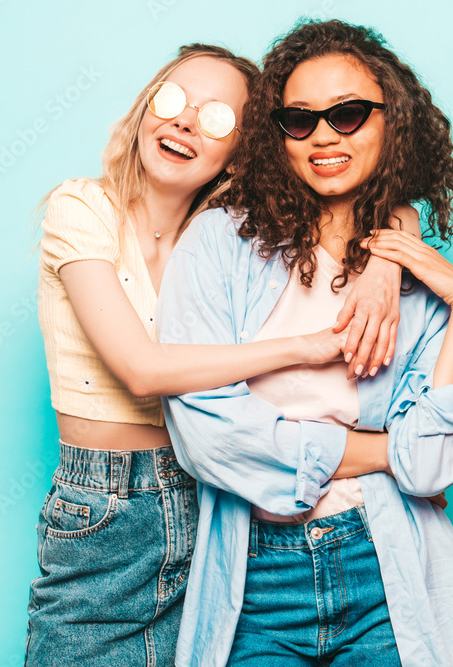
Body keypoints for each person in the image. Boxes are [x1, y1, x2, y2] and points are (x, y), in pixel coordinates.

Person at [27, 42, 407, 667]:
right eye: (173, 100)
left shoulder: (228, 240)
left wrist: (388, 260)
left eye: (216, 119)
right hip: (106, 508)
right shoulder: (82, 208)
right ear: (145, 108)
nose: (183, 122)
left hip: (213, 503)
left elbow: (375, 203)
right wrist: (302, 348)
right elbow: (143, 372)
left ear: (241, 154)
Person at [159, 20, 453, 667]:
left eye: (348, 114)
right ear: (276, 134)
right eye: (300, 119)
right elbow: (209, 436)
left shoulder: (414, 282)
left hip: (384, 562)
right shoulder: (217, 243)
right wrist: (379, 450)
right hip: (254, 578)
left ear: (390, 122)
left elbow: (430, 466)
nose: (324, 135)